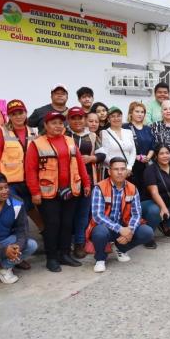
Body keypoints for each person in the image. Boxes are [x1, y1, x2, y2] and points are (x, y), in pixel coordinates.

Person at [25, 111, 91, 272]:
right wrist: (34, 192)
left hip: (70, 189)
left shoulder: (69, 141)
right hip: (49, 193)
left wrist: (86, 183)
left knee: (67, 224)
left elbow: (80, 164)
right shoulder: (37, 144)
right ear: (46, 125)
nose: (57, 126)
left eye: (60, 123)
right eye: (53, 123)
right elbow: (30, 170)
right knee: (52, 225)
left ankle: (65, 254)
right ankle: (52, 258)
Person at [0, 99, 43, 269]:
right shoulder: (1, 132)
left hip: (31, 180)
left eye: (20, 112)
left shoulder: (34, 131)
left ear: (26, 113)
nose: (18, 116)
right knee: (15, 219)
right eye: (14, 113)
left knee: (34, 212)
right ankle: (17, 254)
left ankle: (31, 246)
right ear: (9, 116)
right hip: (10, 182)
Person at [87, 158, 154, 273]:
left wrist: (130, 231)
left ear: (127, 171)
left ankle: (121, 248)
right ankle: (100, 258)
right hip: (106, 227)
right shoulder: (100, 187)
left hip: (124, 226)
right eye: (116, 169)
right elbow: (97, 215)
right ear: (109, 171)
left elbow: (137, 214)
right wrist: (120, 229)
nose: (120, 172)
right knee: (99, 232)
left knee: (147, 232)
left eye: (123, 169)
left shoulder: (132, 188)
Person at [67, 107, 106, 259]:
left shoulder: (92, 136)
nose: (78, 121)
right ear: (69, 120)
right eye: (74, 118)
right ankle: (66, 244)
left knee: (83, 213)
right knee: (68, 214)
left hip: (88, 179)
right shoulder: (64, 135)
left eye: (80, 118)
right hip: (67, 181)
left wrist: (91, 159)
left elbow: (102, 154)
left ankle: (79, 243)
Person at [124, 101, 156, 189]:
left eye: (142, 112)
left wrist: (148, 157)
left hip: (146, 165)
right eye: (137, 111)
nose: (140, 114)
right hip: (132, 166)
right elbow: (123, 148)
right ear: (131, 113)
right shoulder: (125, 128)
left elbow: (152, 146)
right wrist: (136, 157)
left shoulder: (148, 129)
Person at [101, 106, 136, 178]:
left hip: (127, 171)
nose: (116, 118)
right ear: (108, 119)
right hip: (112, 171)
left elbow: (133, 151)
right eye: (113, 116)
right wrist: (118, 168)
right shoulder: (104, 133)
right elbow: (105, 154)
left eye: (118, 116)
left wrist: (129, 167)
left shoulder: (128, 132)